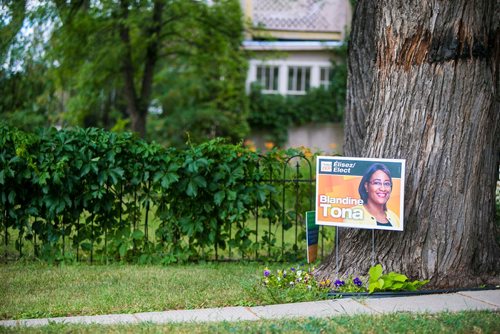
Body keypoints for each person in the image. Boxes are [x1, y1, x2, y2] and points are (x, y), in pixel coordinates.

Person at [344, 163, 400, 229]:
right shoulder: (354, 214)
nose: (383, 188)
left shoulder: (395, 218)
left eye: (387, 184)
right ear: (366, 186)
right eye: (377, 183)